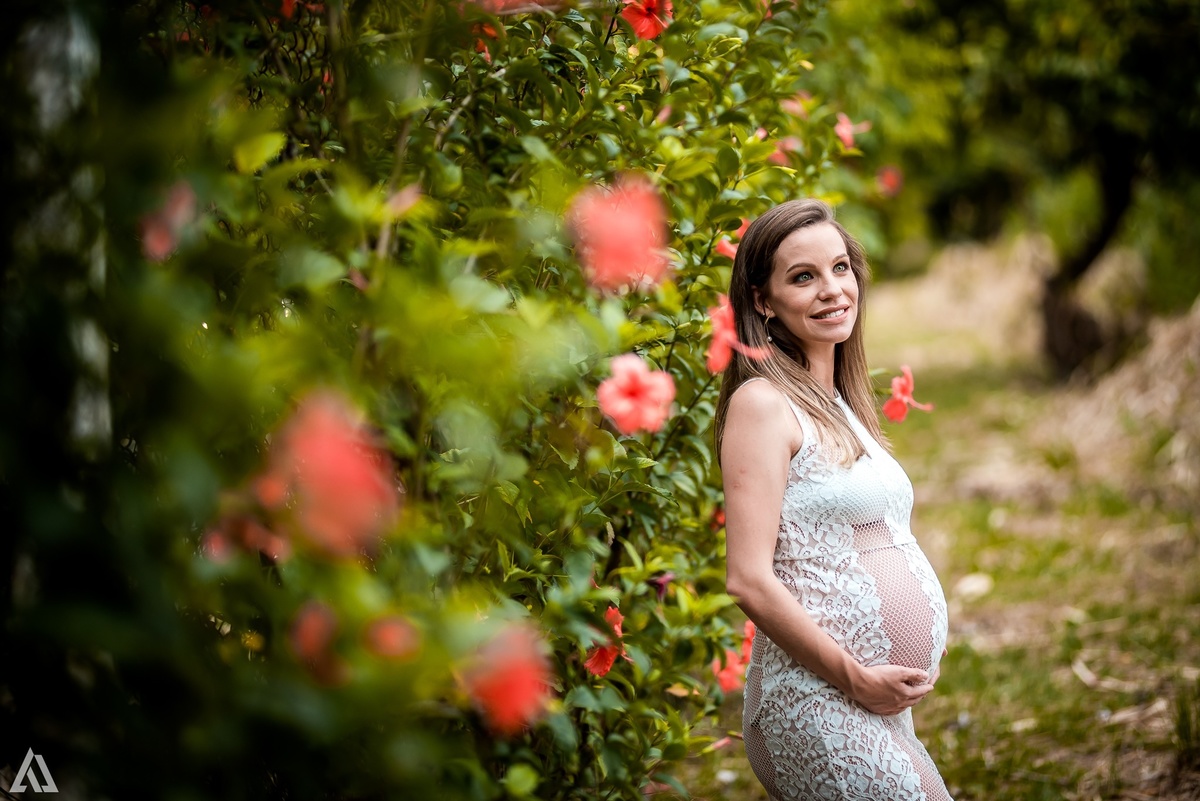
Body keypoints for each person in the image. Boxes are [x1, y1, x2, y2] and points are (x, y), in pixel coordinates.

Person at [715, 199, 953, 800]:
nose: (831, 290)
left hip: (872, 703)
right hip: (817, 699)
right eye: (803, 276)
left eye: (840, 268)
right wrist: (857, 679)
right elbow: (748, 578)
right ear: (762, 302)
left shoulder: (842, 404)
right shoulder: (763, 404)